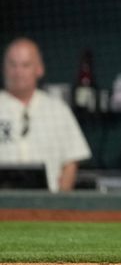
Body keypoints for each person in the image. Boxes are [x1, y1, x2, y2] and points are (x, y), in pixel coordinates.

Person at [0, 37, 91, 192]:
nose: (18, 72)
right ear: (4, 68)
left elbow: (71, 162)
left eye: (25, 65)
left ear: (39, 69)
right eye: (13, 65)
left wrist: (59, 205)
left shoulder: (57, 109)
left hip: (45, 204)